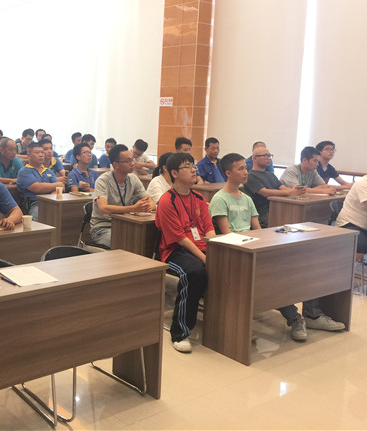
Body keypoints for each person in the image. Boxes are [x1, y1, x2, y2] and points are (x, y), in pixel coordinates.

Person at [210, 153, 344, 341]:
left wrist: (265, 243)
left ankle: (309, 315)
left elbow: (258, 229)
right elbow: (226, 235)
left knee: (292, 268)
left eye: (245, 168)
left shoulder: (246, 199)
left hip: (252, 246)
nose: (245, 172)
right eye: (240, 169)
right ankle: (295, 318)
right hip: (234, 252)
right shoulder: (220, 199)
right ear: (228, 173)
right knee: (273, 278)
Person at [155, 153, 215, 352]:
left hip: (202, 248)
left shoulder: (199, 198)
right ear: (174, 173)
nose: (193, 170)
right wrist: (205, 258)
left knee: (228, 264)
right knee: (194, 272)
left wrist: (215, 251)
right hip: (175, 251)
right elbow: (180, 238)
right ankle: (180, 332)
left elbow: (209, 229)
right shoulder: (167, 201)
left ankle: (221, 326)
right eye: (187, 166)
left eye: (193, 166)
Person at [90, 144, 155, 248]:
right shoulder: (103, 181)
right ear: (115, 164)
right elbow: (103, 208)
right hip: (103, 227)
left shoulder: (133, 178)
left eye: (132, 160)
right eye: (128, 161)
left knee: (146, 240)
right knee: (124, 243)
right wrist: (133, 208)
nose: (132, 163)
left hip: (125, 224)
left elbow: (150, 201)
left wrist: (146, 207)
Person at [244, 145, 305, 227]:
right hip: (263, 213)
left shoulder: (270, 175)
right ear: (254, 158)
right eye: (265, 156)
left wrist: (296, 190)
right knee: (292, 221)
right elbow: (265, 192)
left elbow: (283, 188)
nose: (269, 158)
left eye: (270, 156)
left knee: (301, 217)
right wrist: (290, 192)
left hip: (278, 208)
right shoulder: (250, 176)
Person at [16, 142, 64, 221]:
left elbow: (60, 187)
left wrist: (49, 199)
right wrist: (57, 184)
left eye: (42, 152)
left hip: (52, 201)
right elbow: (37, 188)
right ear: (28, 155)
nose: (41, 155)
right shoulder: (24, 171)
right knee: (38, 216)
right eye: (37, 152)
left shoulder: (48, 171)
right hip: (34, 203)